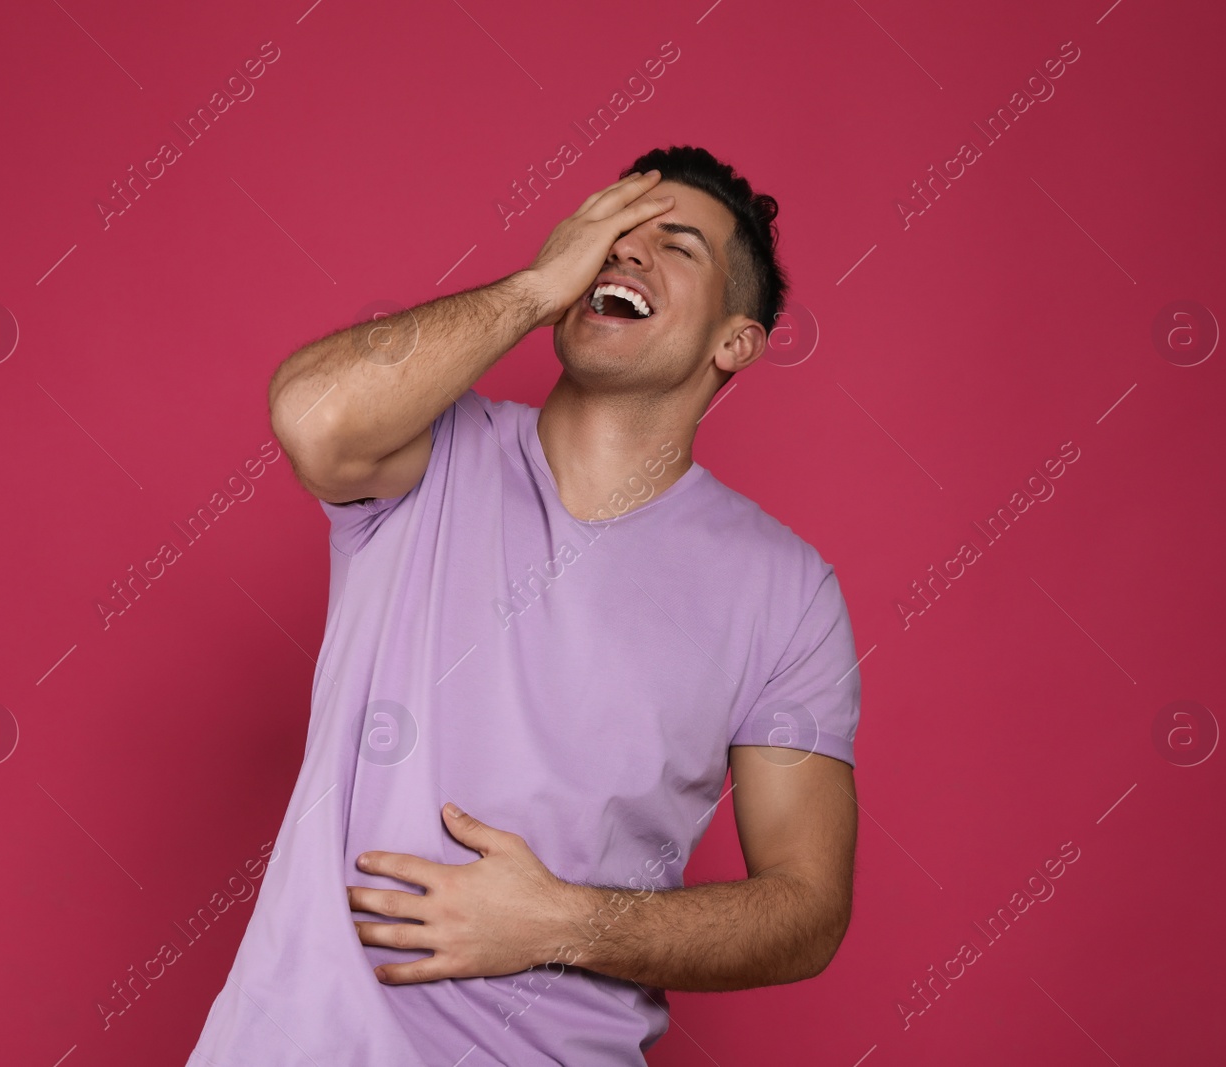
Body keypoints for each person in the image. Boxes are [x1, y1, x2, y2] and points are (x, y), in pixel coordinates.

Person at [186, 144, 861, 1066]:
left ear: (733, 339)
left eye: (676, 245)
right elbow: (312, 416)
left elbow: (807, 909)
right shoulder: (430, 455)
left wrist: (564, 923)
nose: (625, 253)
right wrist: (540, 285)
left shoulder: (787, 591)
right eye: (612, 232)